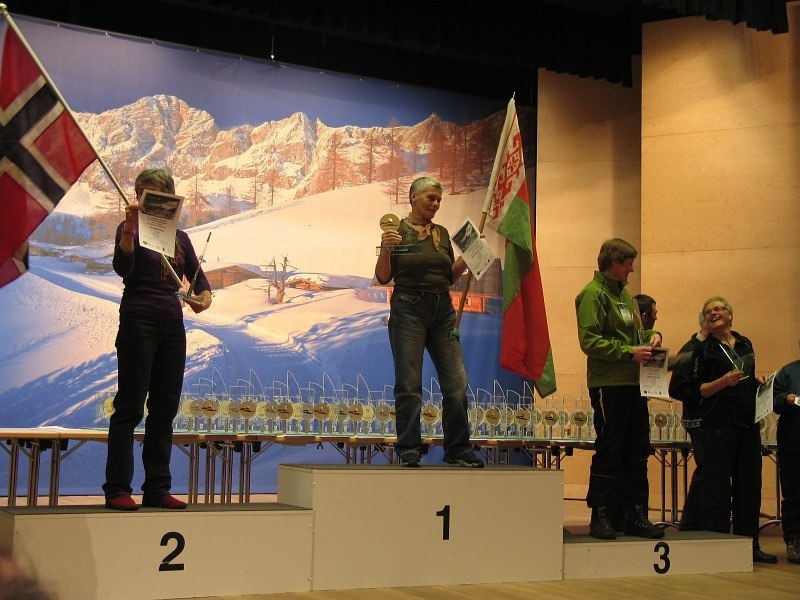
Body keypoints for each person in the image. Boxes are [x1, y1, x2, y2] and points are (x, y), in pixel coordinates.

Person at [103, 168, 212, 510]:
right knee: (129, 406)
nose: (148, 201)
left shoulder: (181, 237)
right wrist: (129, 229)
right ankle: (117, 489)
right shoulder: (129, 229)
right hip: (138, 320)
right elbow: (123, 267)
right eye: (143, 195)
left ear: (170, 197)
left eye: (157, 195)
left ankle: (157, 488)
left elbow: (199, 280)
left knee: (164, 408)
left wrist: (204, 297)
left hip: (172, 324)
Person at [374, 176, 482, 468]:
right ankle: (409, 447)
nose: (436, 204)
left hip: (442, 310)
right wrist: (386, 248)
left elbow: (448, 277)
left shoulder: (442, 233)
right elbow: (383, 277)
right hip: (408, 309)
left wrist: (469, 257)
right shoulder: (396, 231)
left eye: (439, 200)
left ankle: (457, 449)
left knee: (457, 383)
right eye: (430, 198)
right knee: (409, 384)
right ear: (413, 197)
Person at [575, 238, 664, 540]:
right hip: (608, 384)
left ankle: (635, 514)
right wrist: (629, 352)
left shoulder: (625, 295)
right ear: (614, 263)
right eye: (628, 264)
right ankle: (601, 514)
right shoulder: (592, 294)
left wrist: (653, 336)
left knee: (638, 449)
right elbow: (590, 342)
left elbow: (637, 334)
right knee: (610, 449)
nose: (632, 269)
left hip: (635, 383)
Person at [690, 296, 776, 563]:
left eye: (718, 308)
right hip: (718, 426)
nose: (713, 313)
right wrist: (723, 381)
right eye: (708, 311)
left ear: (729, 314)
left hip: (748, 424)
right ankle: (716, 547)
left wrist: (759, 380)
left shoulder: (745, 343)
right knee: (717, 489)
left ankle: (749, 546)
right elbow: (700, 390)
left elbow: (747, 376)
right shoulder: (703, 349)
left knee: (749, 487)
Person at [667, 310, 709, 530]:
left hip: (714, 419)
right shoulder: (691, 348)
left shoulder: (715, 348)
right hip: (699, 419)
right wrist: (704, 394)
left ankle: (699, 520)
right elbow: (676, 388)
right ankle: (691, 522)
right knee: (707, 468)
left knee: (710, 468)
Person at [771, 344, 800, 564]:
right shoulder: (788, 372)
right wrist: (785, 399)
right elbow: (772, 401)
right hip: (793, 444)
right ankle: (794, 540)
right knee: (793, 495)